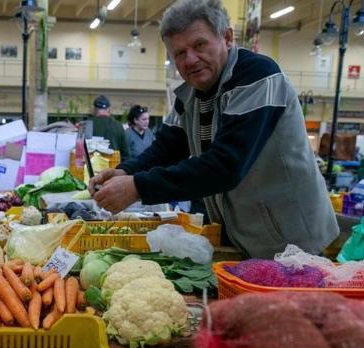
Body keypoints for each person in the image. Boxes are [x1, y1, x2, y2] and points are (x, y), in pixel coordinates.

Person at [89, 0, 337, 259]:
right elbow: (166, 148)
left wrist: (138, 186)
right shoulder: (191, 96)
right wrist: (124, 171)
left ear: (227, 37)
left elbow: (225, 166)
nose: (191, 59)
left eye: (199, 45)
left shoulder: (258, 78)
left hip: (290, 239)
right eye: (179, 53)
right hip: (243, 233)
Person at [91, 95, 129, 161]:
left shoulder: (86, 125)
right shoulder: (118, 125)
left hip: (91, 166)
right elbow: (125, 153)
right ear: (108, 109)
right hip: (113, 167)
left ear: (94, 109)